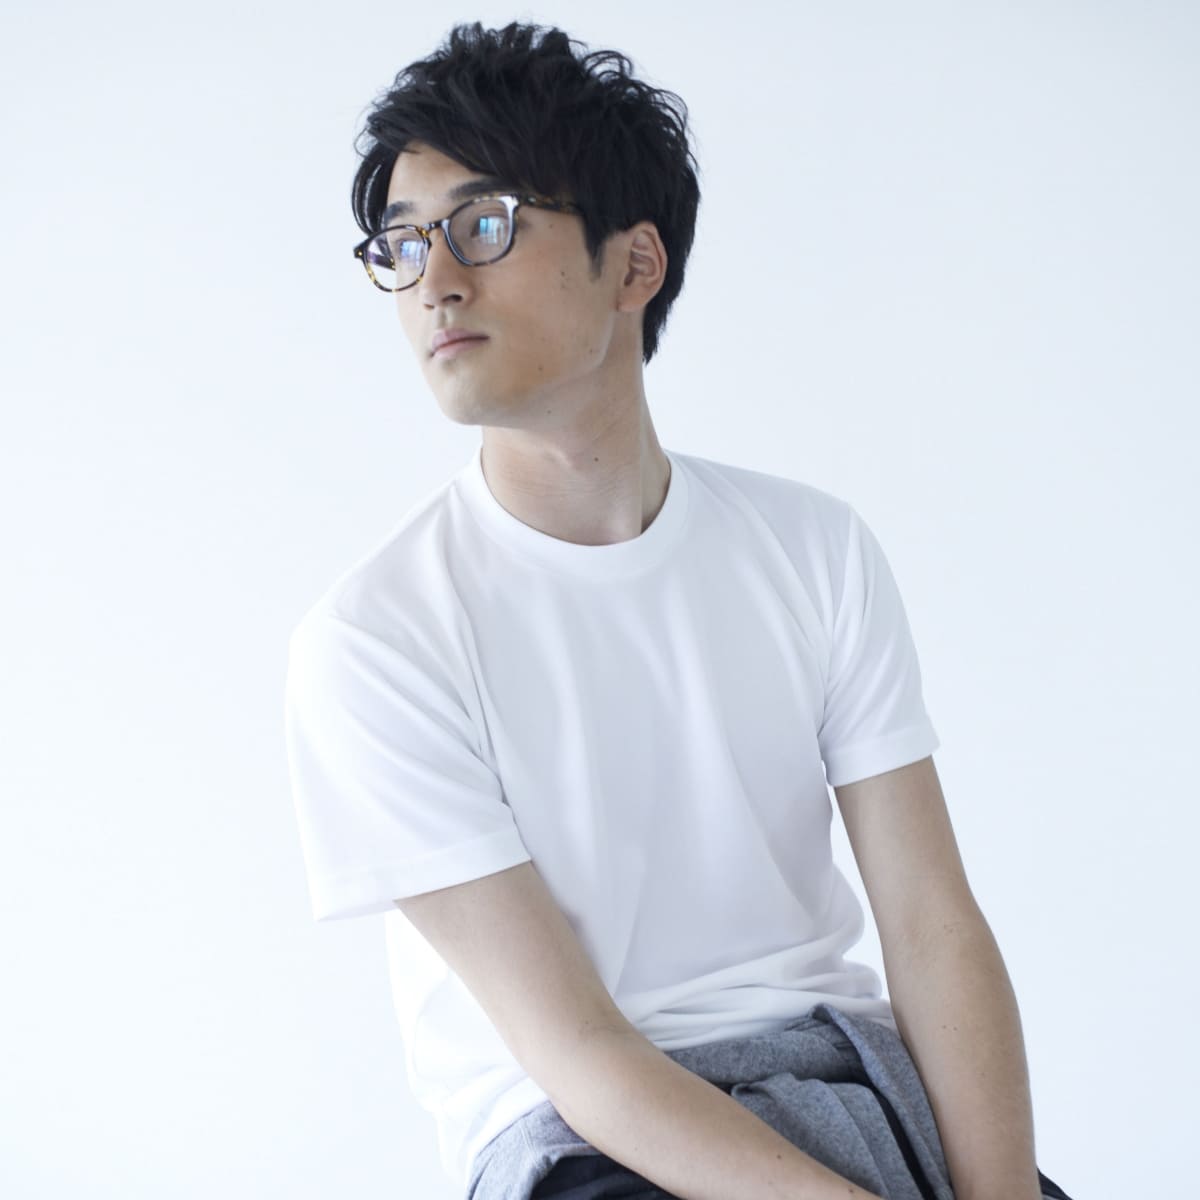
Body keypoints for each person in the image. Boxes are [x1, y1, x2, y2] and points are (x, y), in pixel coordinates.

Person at [284, 21, 1074, 1200]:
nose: (434, 280)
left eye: (482, 226)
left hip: (853, 1081)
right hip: (587, 1140)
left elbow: (931, 924)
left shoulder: (812, 550)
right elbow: (582, 1054)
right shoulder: (377, 638)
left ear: (634, 264)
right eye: (401, 244)